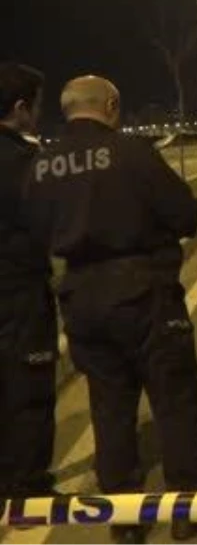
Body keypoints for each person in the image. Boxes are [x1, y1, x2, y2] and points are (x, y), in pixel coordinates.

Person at [22, 76, 197, 544]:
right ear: (110, 105)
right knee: (174, 397)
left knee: (109, 406)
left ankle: (124, 516)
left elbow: (33, 231)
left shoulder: (41, 166)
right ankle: (186, 503)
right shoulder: (131, 154)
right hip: (143, 293)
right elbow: (184, 215)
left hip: (81, 298)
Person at [0, 63, 58, 501]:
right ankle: (30, 490)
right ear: (20, 108)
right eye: (36, 106)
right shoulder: (23, 162)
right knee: (29, 389)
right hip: (19, 294)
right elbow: (51, 223)